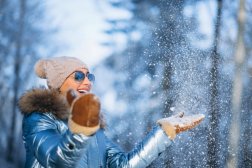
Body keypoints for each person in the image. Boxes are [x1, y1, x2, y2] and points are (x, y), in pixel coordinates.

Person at [18, 56, 204, 168]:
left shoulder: (94, 128)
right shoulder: (39, 117)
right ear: (58, 83)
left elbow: (123, 165)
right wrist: (82, 130)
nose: (88, 82)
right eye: (78, 76)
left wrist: (163, 133)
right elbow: (57, 162)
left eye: (89, 76)